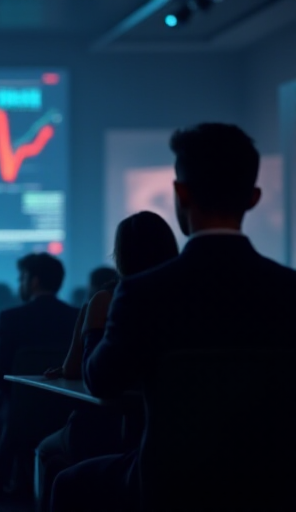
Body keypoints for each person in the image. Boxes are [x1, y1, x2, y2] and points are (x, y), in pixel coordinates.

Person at [52, 124, 296, 512]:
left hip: (169, 480)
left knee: (67, 483)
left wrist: (95, 324)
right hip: (277, 481)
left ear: (180, 193)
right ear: (253, 198)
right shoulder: (289, 289)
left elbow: (102, 381)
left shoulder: (143, 292)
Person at [36, 212, 178, 511]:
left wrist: (89, 319)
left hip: (110, 430)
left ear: (121, 254)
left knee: (48, 453)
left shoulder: (107, 300)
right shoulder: (183, 299)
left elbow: (88, 375)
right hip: (176, 439)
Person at [0, 252, 78, 497]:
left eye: (21, 278)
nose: (19, 284)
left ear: (33, 281)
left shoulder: (11, 318)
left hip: (21, 409)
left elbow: (1, 374)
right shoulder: (76, 316)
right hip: (68, 406)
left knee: (0, 400)